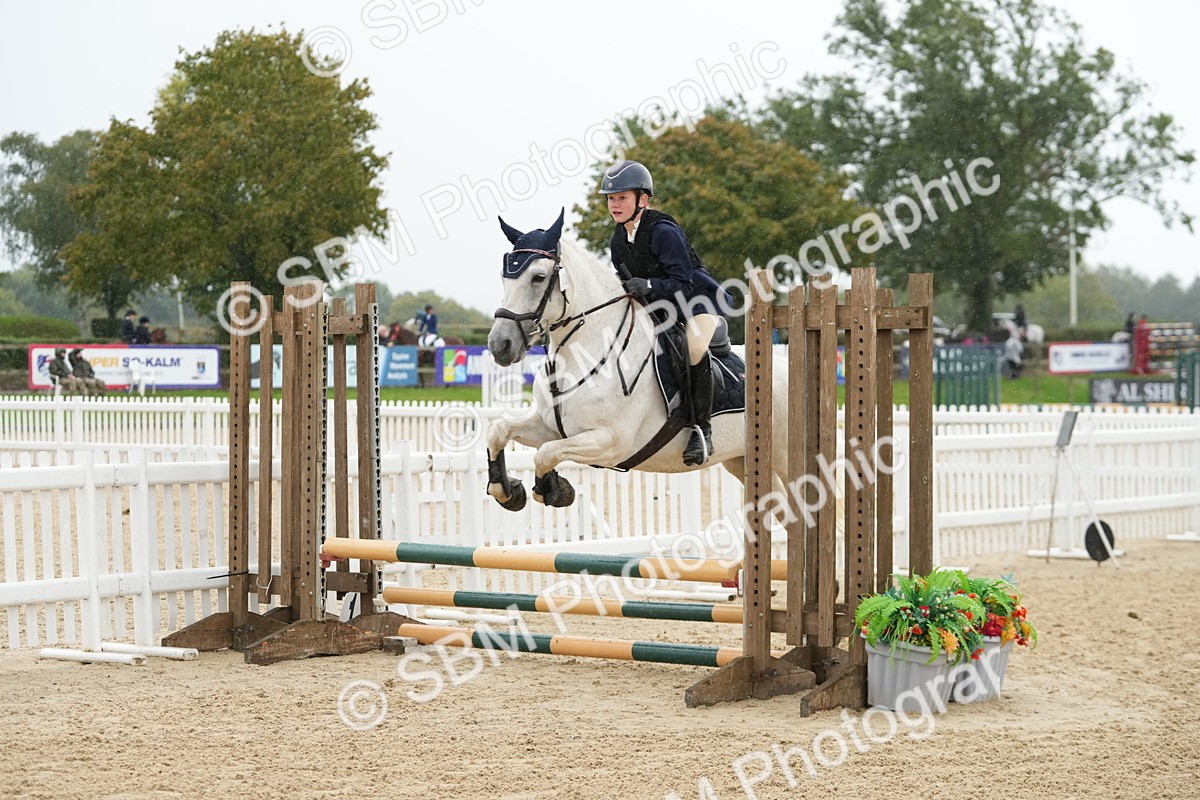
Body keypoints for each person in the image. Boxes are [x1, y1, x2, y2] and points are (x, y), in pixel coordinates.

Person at [599, 159, 732, 466]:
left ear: (642, 200)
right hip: (660, 308)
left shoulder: (663, 231)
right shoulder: (617, 240)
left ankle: (702, 430)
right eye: (611, 198)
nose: (615, 204)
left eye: (622, 198)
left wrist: (647, 283)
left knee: (693, 347)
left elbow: (683, 283)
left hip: (697, 304)